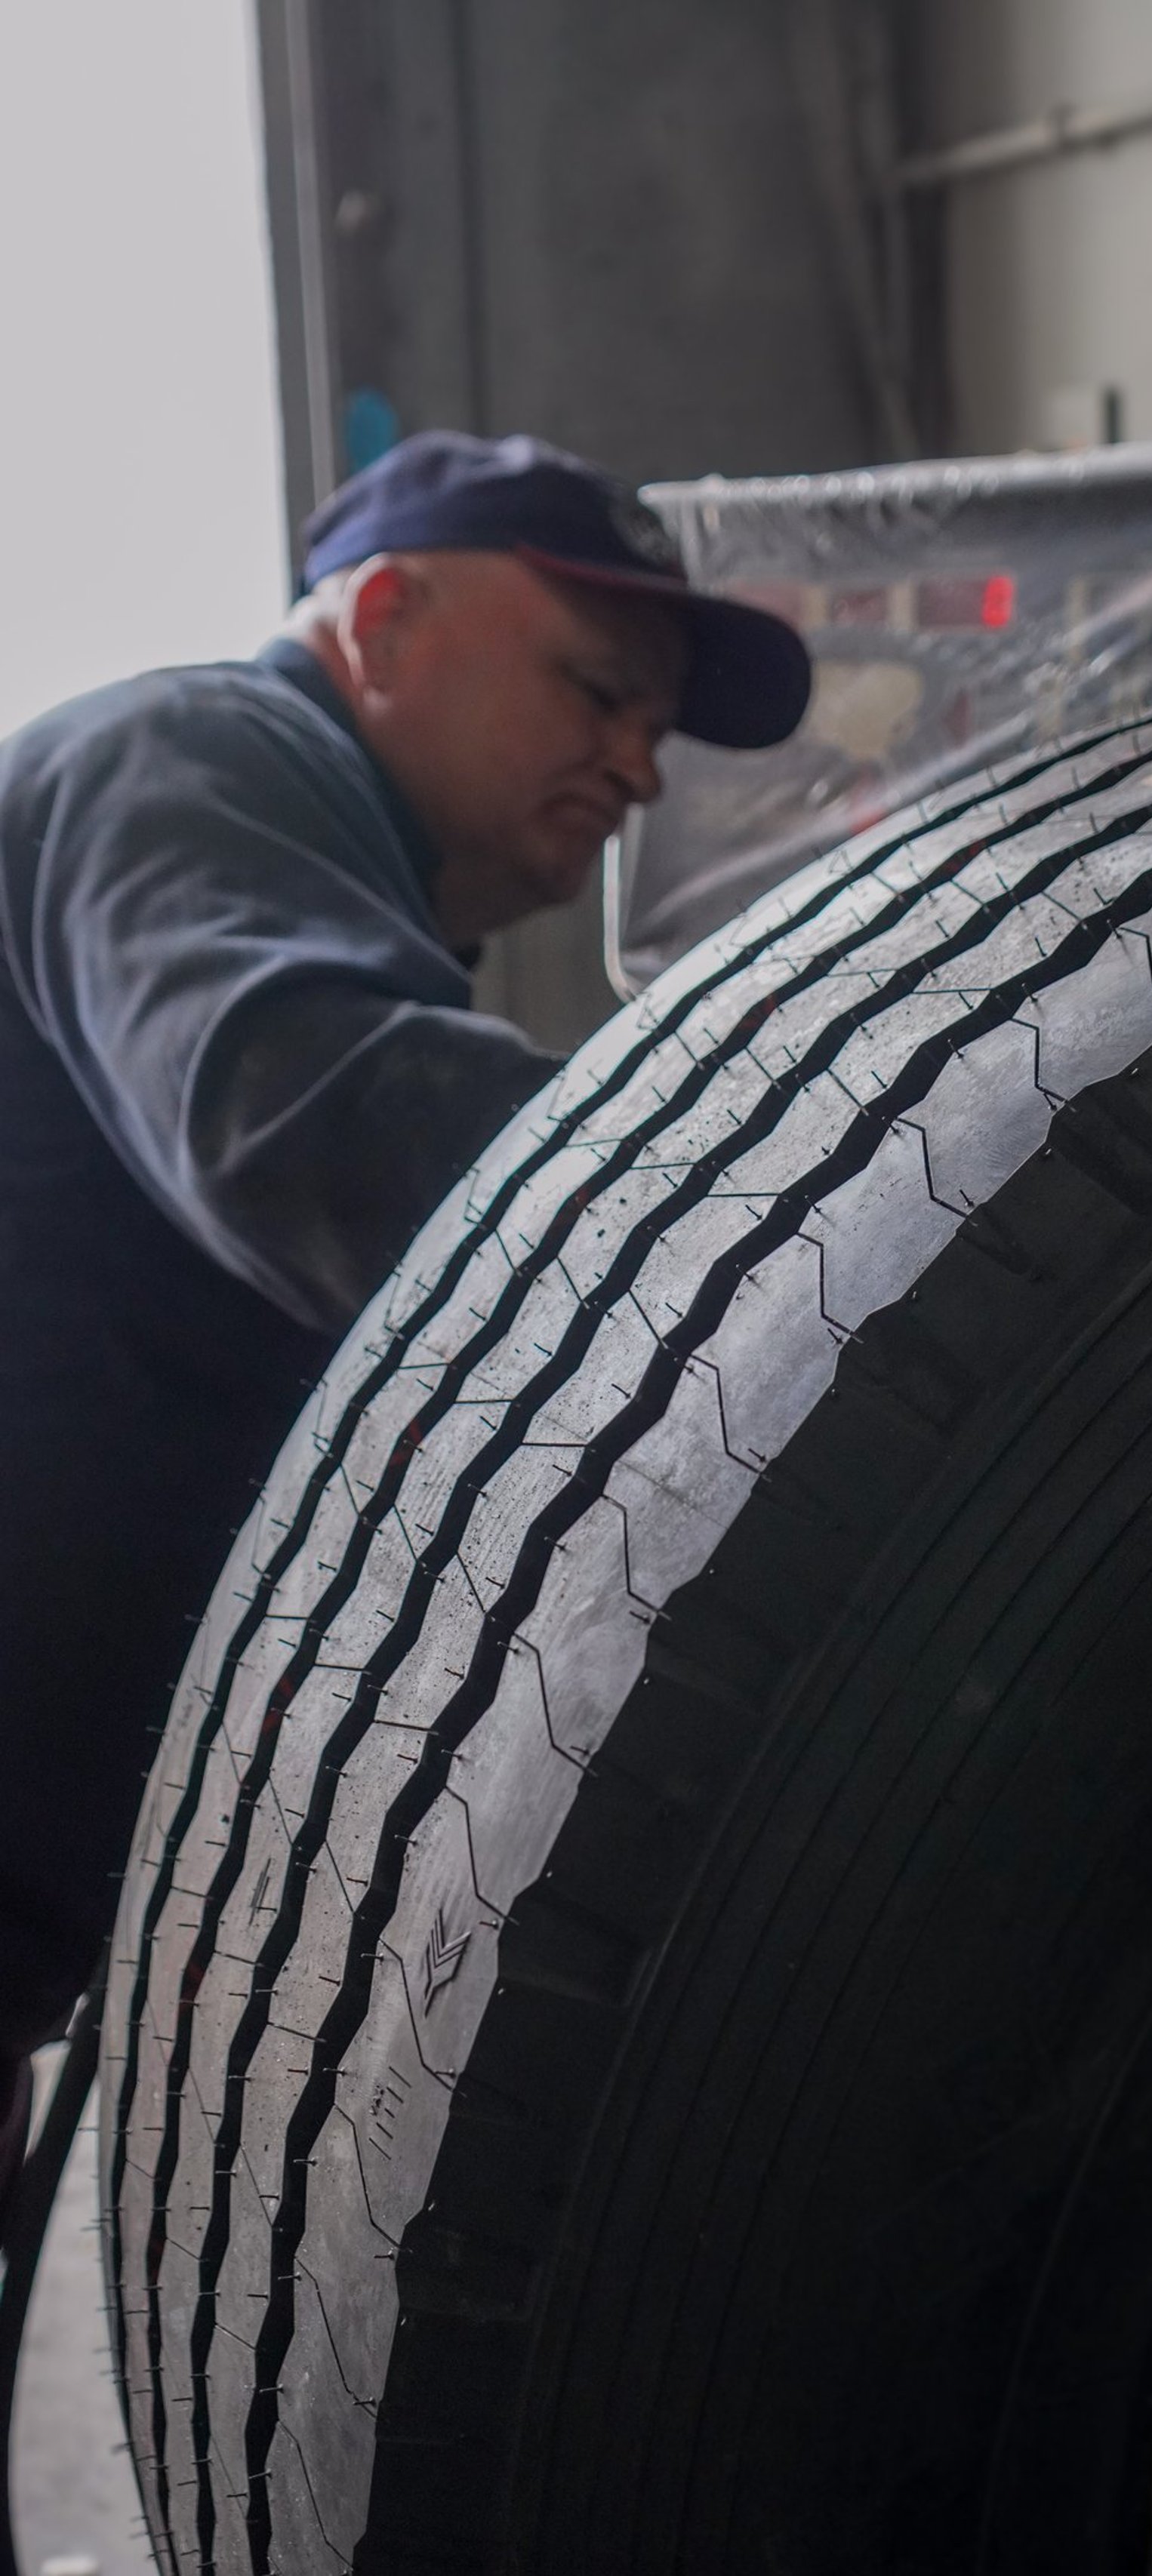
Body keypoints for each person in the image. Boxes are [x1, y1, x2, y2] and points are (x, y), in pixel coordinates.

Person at [0, 432, 810, 2137]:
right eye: (599, 691)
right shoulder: (187, 752)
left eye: (655, 728)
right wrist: (832, 1187)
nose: (639, 770)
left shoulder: (303, 851)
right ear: (380, 620)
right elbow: (315, 1118)